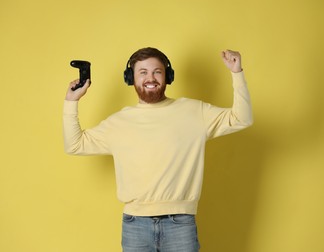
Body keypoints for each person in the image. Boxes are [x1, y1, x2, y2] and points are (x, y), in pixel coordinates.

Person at [63, 47, 253, 251]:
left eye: (157, 71)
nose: (150, 78)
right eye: (142, 72)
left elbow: (242, 119)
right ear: (131, 78)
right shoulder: (118, 122)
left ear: (168, 76)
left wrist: (237, 73)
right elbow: (75, 145)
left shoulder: (194, 112)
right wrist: (71, 102)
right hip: (135, 225)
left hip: (180, 224)